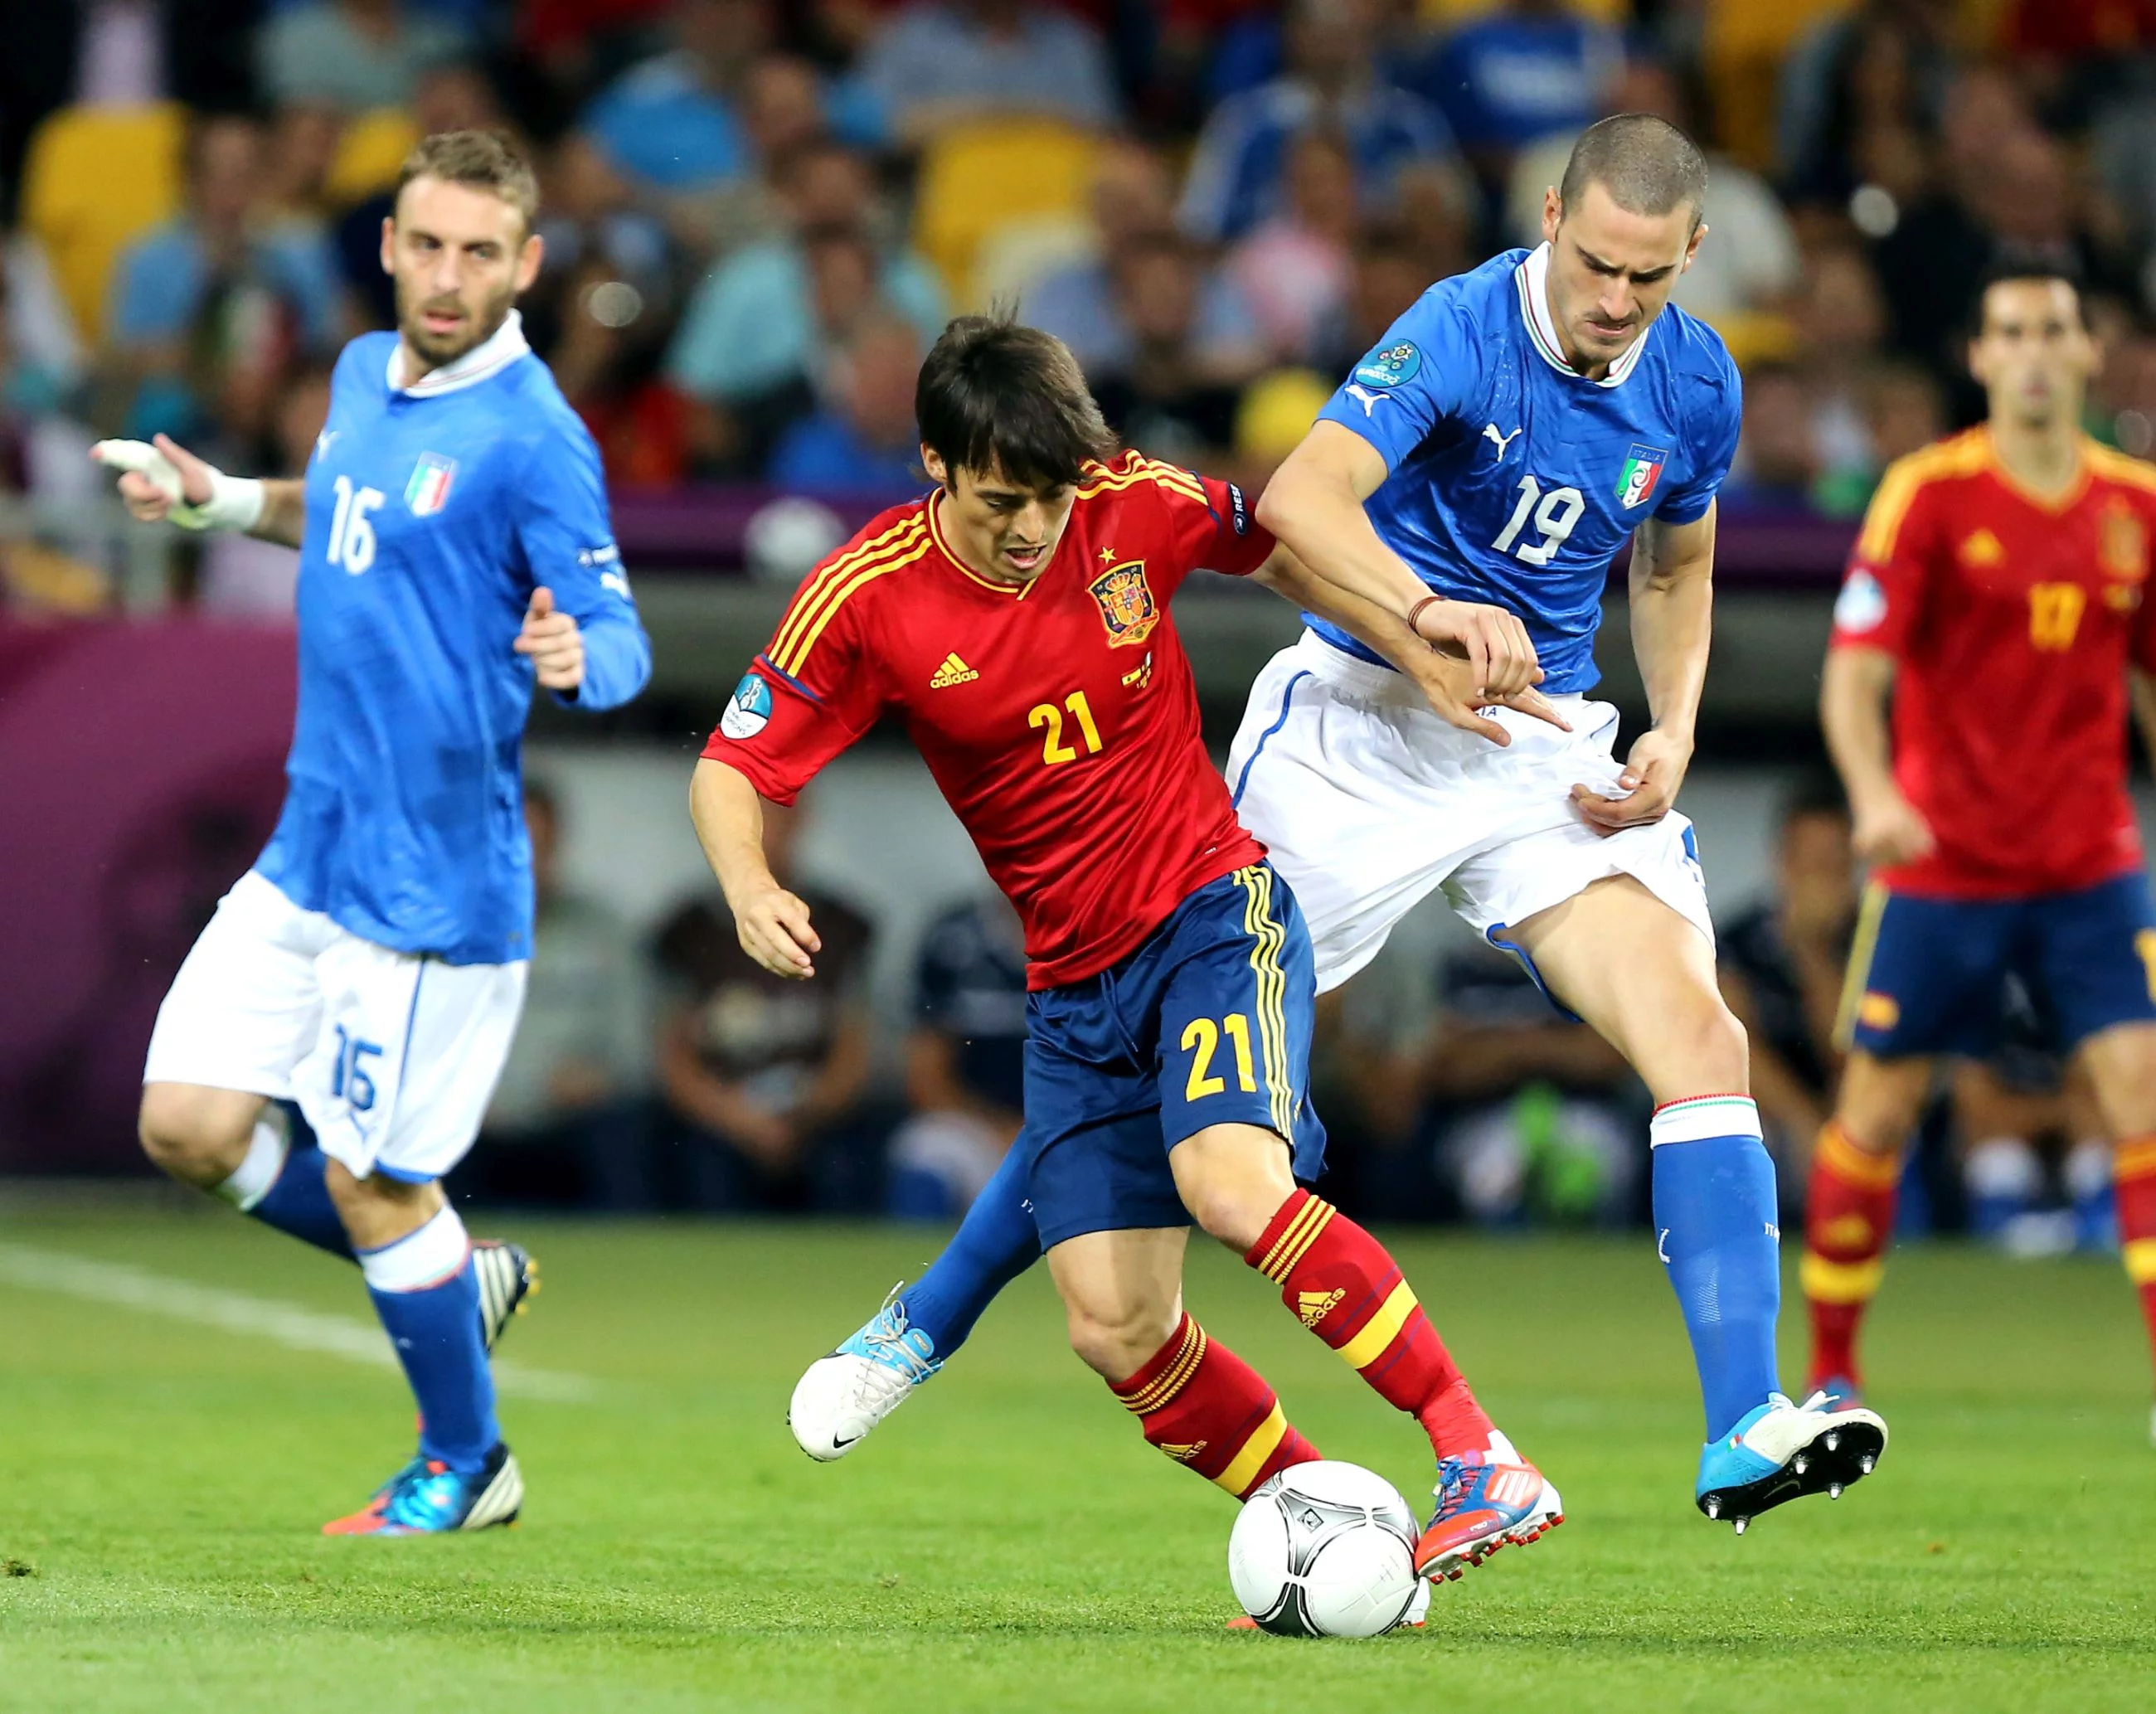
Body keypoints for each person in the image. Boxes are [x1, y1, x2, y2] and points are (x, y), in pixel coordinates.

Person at [803, 114, 1889, 1538]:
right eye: (1597, 264)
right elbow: (1306, 497)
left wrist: (1670, 722)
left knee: (1703, 1033)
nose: (1616, 301)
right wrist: (1429, 611)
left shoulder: (1697, 379)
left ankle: (1745, 1420)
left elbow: (1676, 566)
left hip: (1541, 741)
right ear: (1552, 216)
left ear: (1691, 254)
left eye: (1648, 277)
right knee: (1151, 1059)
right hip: (1365, 721)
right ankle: (928, 1318)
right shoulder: (1456, 328)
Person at [704, 313, 1566, 1590]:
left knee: (1231, 1184)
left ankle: (1477, 1451)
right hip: (1070, 988)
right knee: (1114, 1325)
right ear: (935, 463)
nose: (1035, 525)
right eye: (1003, 498)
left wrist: (1413, 639)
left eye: (1053, 495)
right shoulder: (867, 594)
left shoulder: (1131, 502)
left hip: (1214, 916)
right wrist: (749, 882)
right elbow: (734, 763)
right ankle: (1336, 1540)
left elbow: (1283, 545)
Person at [95, 129, 652, 1534]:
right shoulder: (356, 372)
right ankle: (452, 1279)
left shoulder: (535, 436)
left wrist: (587, 657)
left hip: (431, 878)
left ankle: (470, 1460)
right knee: (190, 1124)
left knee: (374, 1177)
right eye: (428, 244)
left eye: (481, 251)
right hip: (313, 845)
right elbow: (336, 510)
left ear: (525, 264)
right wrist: (214, 498)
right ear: (391, 247)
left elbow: (621, 628)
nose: (449, 275)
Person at [1804, 260, 2156, 1437]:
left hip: (2088, 861)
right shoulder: (1928, 494)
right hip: (1943, 862)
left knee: (2139, 1101)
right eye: (2014, 330)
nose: (2039, 350)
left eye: (2057, 328)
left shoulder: (2134, 505)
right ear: (1983, 357)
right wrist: (1872, 795)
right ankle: (1833, 1371)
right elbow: (1856, 673)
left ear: (2089, 351)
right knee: (1878, 1112)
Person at [652, 794, 878, 1212]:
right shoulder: (688, 929)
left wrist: (804, 1113)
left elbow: (855, 1050)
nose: (764, 830)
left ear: (801, 821)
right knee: (693, 1164)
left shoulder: (843, 924)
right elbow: (674, 1058)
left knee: (850, 1163)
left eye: (776, 815)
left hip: (817, 1115)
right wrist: (738, 1120)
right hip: (720, 1116)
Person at [469, 779, 653, 1210]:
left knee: (624, 1135)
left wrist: (600, 1079)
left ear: (557, 849)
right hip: (475, 1124)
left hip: (575, 1119)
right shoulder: (442, 940)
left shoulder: (603, 933)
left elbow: (637, 1051)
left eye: (538, 847)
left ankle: (628, 1267)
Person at [1717, 773, 1857, 1168]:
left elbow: (1852, 1057)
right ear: (1782, 861)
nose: (1817, 882)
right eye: (1808, 865)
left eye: (1832, 866)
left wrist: (1812, 951)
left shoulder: (1877, 939)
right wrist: (1803, 1122)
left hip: (1848, 1112)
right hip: (1773, 1118)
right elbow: (1732, 1053)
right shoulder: (1737, 941)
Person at [888, 892, 1029, 1218]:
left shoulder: (1109, 933)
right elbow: (926, 1076)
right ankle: (911, 1266)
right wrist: (1003, 1130)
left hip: (1073, 1134)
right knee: (927, 1148)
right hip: (978, 1131)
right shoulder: (952, 940)